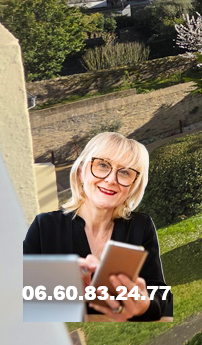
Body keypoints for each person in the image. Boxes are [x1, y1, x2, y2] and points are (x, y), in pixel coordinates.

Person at [23, 132, 173, 321]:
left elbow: (161, 297)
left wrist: (145, 305)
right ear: (81, 172)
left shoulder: (141, 226)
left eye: (125, 172)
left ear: (134, 186)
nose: (111, 179)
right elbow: (17, 297)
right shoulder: (45, 226)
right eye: (103, 165)